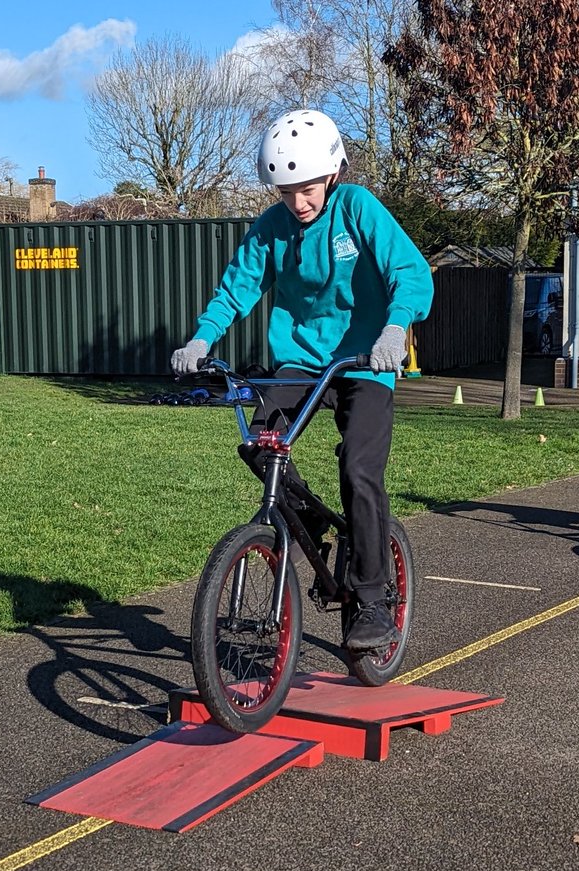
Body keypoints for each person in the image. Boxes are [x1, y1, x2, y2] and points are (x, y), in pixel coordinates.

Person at [171, 109, 433, 651]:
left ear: (333, 173)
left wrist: (395, 328)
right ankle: (308, 523)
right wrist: (202, 339)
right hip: (303, 361)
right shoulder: (272, 229)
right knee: (260, 444)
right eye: (286, 191)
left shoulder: (357, 209)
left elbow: (411, 272)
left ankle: (372, 600)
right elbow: (237, 287)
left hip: (366, 362)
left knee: (358, 470)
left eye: (308, 188)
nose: (299, 202)